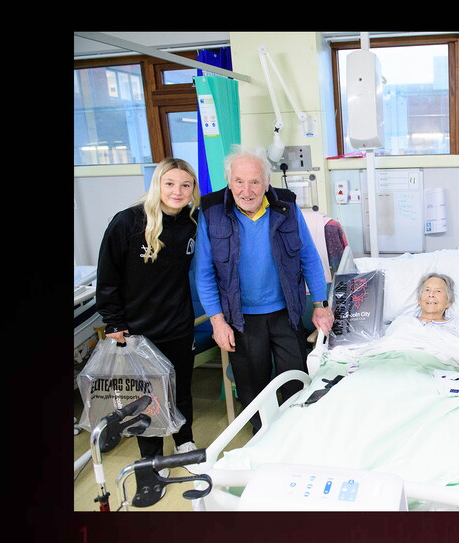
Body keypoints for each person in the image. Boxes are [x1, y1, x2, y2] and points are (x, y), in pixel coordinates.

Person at [194, 145, 333, 435]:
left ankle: (295, 433)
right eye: (239, 182)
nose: (247, 190)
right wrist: (217, 322)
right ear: (229, 182)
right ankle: (262, 436)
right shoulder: (211, 212)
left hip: (286, 311)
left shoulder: (285, 206)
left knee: (295, 377)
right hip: (240, 316)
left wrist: (320, 304)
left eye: (255, 181)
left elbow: (308, 256)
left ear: (266, 183)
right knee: (251, 384)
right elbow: (205, 274)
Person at [95, 157, 200, 507]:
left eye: (186, 185)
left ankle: (184, 439)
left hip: (178, 324)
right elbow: (107, 276)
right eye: (170, 183)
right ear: (158, 184)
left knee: (180, 387)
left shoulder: (190, 223)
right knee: (148, 398)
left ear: (193, 190)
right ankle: (151, 457)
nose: (177, 191)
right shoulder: (127, 222)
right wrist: (114, 322)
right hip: (138, 332)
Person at [408, 273, 459, 338]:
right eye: (427, 290)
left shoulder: (458, 326)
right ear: (419, 300)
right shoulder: (405, 321)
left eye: (438, 291)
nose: (431, 294)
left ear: (448, 302)